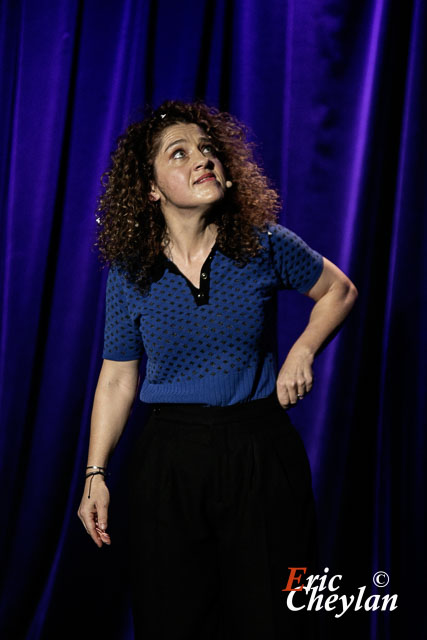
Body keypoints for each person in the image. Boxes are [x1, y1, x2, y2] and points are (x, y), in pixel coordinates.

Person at [77, 99, 358, 639]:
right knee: (174, 620)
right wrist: (95, 475)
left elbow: (339, 291)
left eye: (208, 150)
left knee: (275, 619)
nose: (202, 159)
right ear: (152, 189)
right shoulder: (131, 273)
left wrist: (302, 351)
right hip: (169, 462)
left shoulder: (263, 243)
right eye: (179, 153)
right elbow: (116, 377)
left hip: (259, 448)